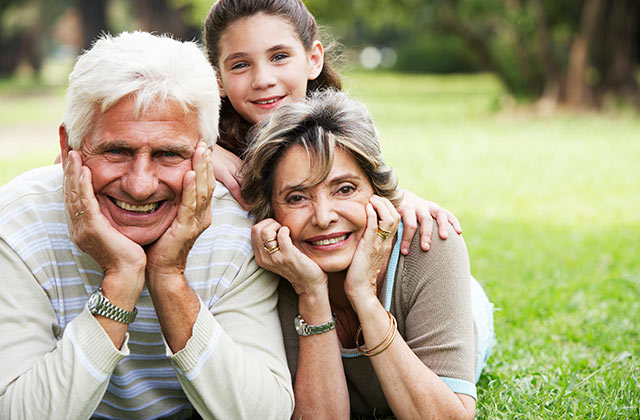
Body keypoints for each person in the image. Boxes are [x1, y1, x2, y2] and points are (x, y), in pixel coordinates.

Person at [0, 31, 293, 419]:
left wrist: (169, 278)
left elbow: (264, 414)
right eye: (116, 151)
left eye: (168, 154)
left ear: (205, 156)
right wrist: (121, 279)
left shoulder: (236, 230)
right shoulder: (19, 222)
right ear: (69, 146)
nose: (140, 185)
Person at [240, 90, 495, 419]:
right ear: (271, 210)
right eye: (297, 198)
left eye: (344, 189)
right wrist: (312, 293)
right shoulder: (272, 267)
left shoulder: (430, 242)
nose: (323, 217)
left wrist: (364, 295)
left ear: (377, 191)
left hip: (460, 306)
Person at [203, 0, 463, 256]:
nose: (263, 80)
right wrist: (200, 148)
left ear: (313, 59)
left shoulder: (340, 132)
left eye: (279, 57)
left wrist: (400, 199)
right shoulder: (209, 146)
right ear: (218, 80)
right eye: (240, 65)